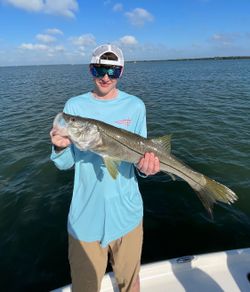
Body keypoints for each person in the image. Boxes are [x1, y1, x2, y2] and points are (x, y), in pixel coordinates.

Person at [50, 44, 160, 292]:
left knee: (131, 285)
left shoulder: (135, 106)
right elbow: (65, 163)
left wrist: (147, 168)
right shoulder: (74, 106)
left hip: (128, 214)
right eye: (99, 69)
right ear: (90, 69)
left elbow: (141, 162)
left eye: (113, 71)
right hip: (85, 218)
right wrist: (60, 148)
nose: (106, 77)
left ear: (121, 72)